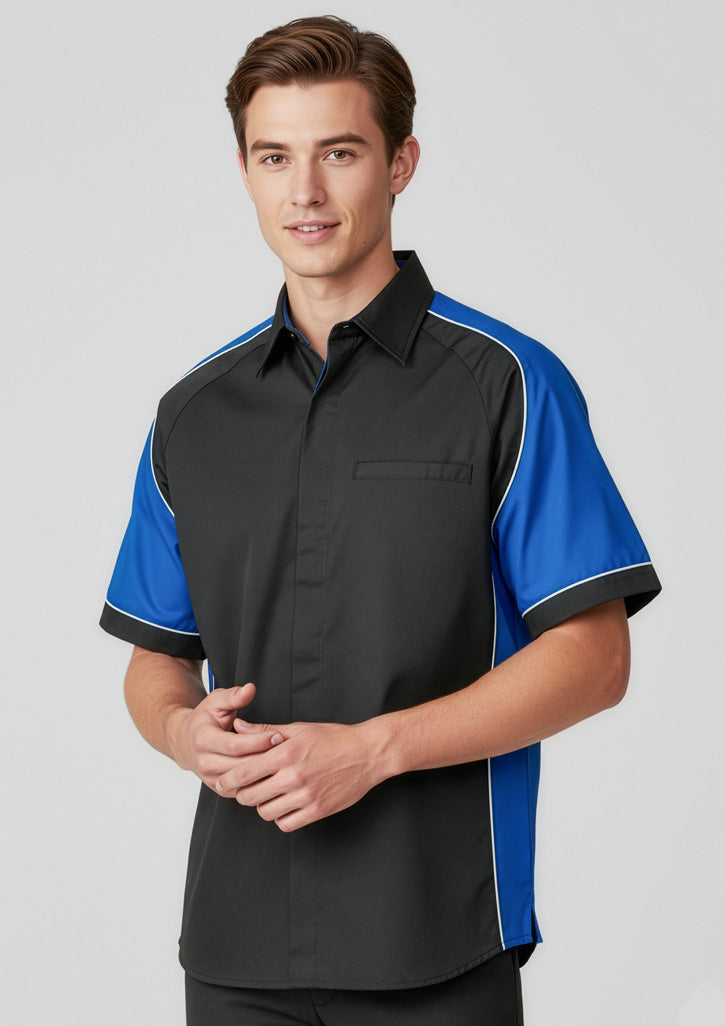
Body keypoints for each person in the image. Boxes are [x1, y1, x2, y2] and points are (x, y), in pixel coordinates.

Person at [100, 15, 661, 1026]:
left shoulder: (507, 383)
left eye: (339, 153)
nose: (304, 192)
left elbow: (594, 658)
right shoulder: (193, 413)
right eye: (275, 157)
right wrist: (184, 734)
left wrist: (373, 750)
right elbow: (156, 659)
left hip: (436, 939)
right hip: (234, 948)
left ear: (399, 163)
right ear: (244, 172)